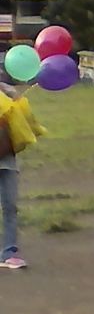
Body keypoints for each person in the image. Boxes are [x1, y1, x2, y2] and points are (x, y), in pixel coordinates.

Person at [0, 80, 45, 269]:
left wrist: (12, 92)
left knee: (10, 206)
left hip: (6, 160)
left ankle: (9, 252)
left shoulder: (6, 98)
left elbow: (25, 120)